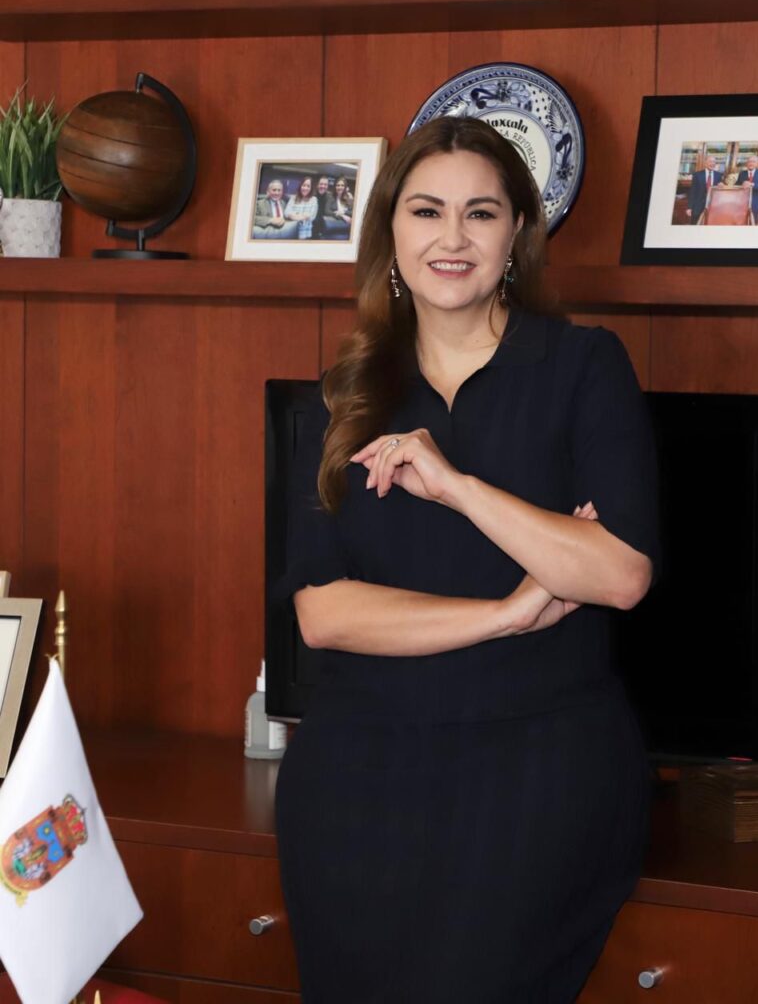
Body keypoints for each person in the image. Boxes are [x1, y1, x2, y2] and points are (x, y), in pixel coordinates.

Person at [275, 116, 659, 1004]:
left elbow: (617, 574)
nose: (451, 238)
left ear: (516, 233)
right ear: (391, 233)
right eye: (426, 211)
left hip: (534, 782)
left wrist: (456, 487)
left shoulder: (583, 366)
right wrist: (506, 613)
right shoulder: (345, 394)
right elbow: (324, 613)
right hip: (355, 789)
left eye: (479, 213)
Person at [686, 154, 723, 223]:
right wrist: (689, 207)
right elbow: (693, 192)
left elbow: (720, 192)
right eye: (710, 161)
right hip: (697, 206)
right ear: (705, 163)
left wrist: (721, 187)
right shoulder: (697, 175)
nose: (712, 163)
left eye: (714, 162)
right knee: (695, 224)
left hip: (712, 206)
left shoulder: (718, 175)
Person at [735, 155, 758, 223]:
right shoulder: (742, 173)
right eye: (749, 161)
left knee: (753, 221)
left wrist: (752, 184)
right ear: (747, 163)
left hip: (755, 202)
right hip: (742, 202)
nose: (751, 163)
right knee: (742, 221)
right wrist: (742, 185)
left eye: (753, 161)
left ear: (757, 163)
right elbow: (736, 186)